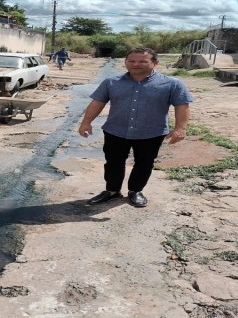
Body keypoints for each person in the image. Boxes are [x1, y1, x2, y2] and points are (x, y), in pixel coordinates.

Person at [78, 47, 193, 207]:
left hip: (151, 132)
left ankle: (135, 191)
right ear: (125, 62)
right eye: (131, 61)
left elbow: (182, 105)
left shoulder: (172, 84)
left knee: (144, 163)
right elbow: (98, 102)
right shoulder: (111, 82)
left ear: (155, 63)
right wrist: (86, 122)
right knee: (113, 162)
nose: (135, 64)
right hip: (115, 130)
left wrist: (180, 128)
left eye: (142, 61)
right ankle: (112, 191)